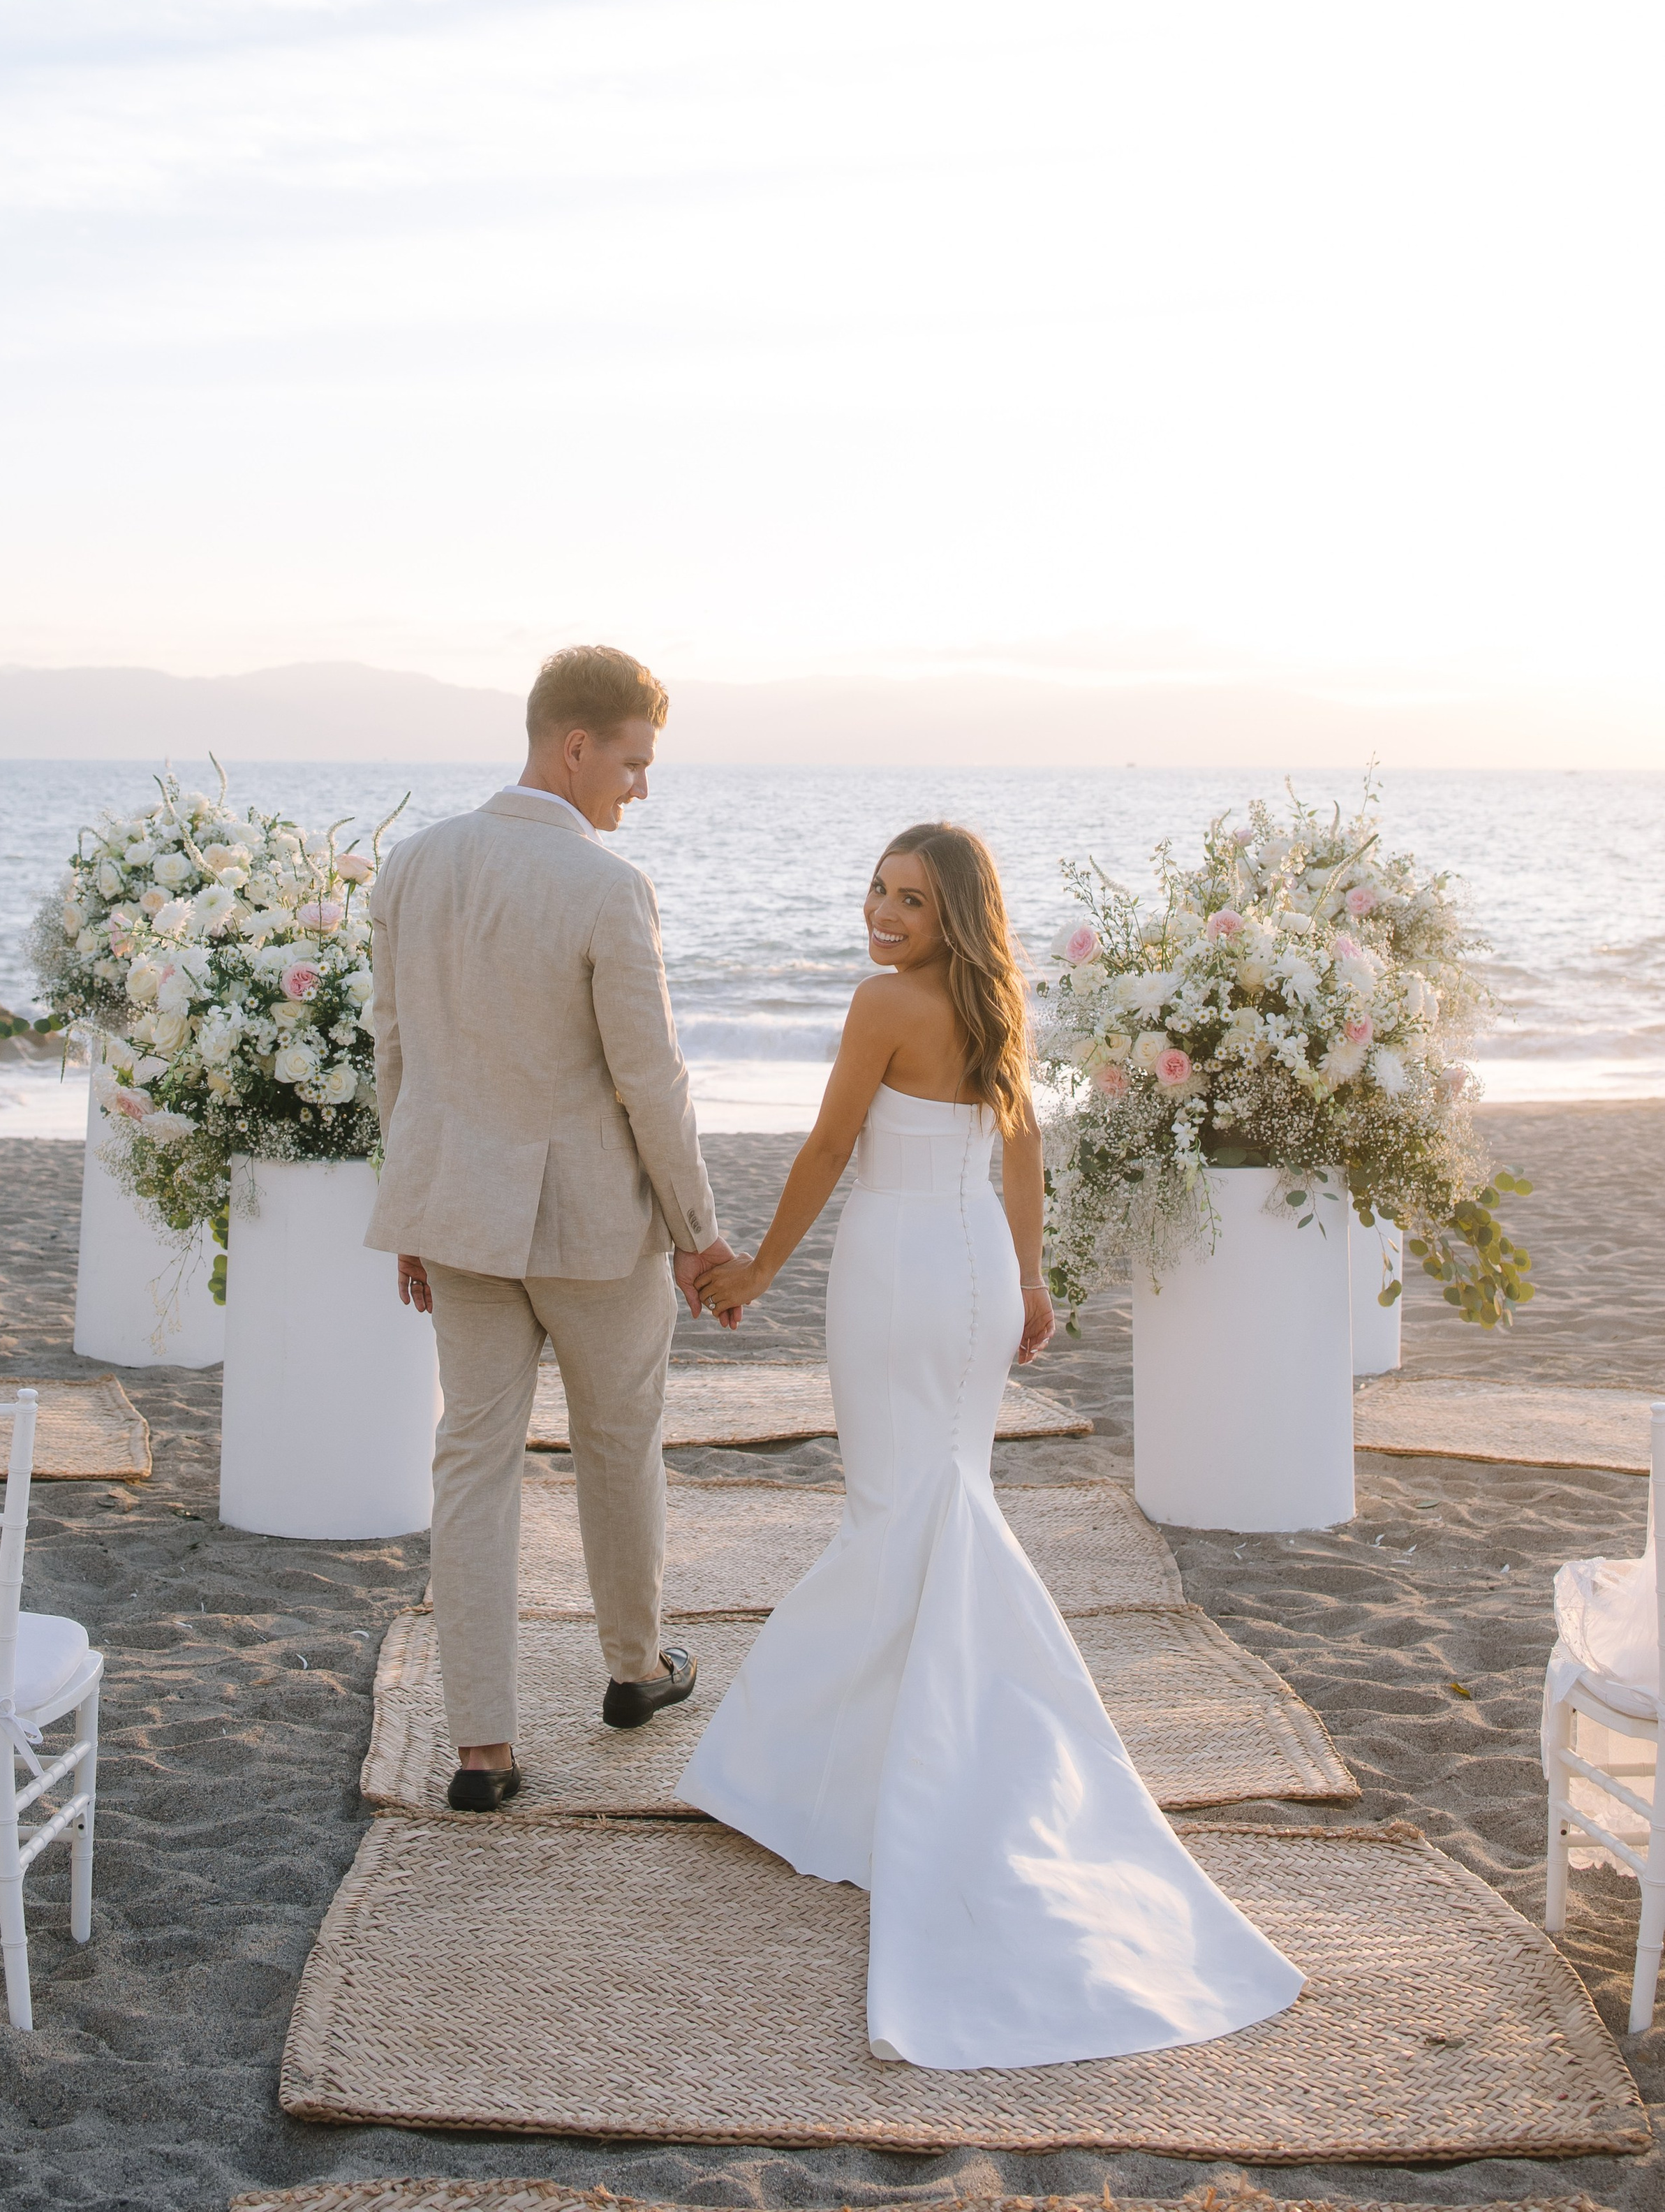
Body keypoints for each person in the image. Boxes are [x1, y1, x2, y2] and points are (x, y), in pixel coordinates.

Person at [679, 821, 1303, 2068]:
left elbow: (824, 1149)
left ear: (955, 912)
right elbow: (1021, 1148)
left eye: (910, 898)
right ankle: (903, 1757)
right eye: (876, 889)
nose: (883, 912)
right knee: (942, 1500)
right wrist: (1026, 1279)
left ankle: (826, 1773)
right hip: (967, 1269)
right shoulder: (997, 1004)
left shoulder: (880, 1007)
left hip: (902, 1267)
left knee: (889, 1512)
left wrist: (757, 1265)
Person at [365, 644, 739, 1812]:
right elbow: (652, 1082)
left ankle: (482, 1751)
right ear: (575, 745)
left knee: (472, 1465)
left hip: (462, 1222)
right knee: (617, 1444)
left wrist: (416, 1214)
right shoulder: (606, 890)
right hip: (592, 1230)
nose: (640, 789)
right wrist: (697, 1231)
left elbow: (396, 1057)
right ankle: (634, 1670)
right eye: (633, 763)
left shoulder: (411, 867)